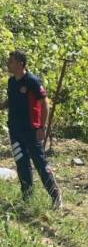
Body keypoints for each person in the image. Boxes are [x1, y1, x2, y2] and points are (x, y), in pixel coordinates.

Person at [0, 50, 62, 209]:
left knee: (40, 163)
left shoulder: (32, 81)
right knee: (21, 163)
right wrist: (2, 106)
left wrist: (42, 127)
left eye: (11, 61)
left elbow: (45, 103)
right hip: (15, 130)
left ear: (20, 63)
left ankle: (55, 196)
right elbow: (12, 99)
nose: (8, 64)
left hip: (31, 130)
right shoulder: (12, 82)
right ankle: (27, 198)